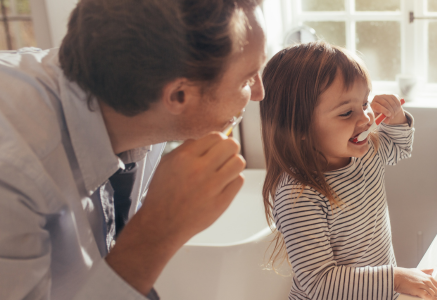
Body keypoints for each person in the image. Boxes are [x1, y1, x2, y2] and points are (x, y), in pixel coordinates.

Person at [0, 0, 266, 298]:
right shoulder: (13, 170)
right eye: (247, 78)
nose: (259, 92)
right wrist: (157, 231)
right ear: (179, 94)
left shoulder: (144, 106)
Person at [259, 42, 437, 300]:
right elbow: (319, 283)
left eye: (365, 103)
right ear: (299, 128)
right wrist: (396, 278)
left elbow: (399, 147)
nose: (366, 119)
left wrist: (397, 118)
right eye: (347, 112)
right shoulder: (299, 195)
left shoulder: (365, 152)